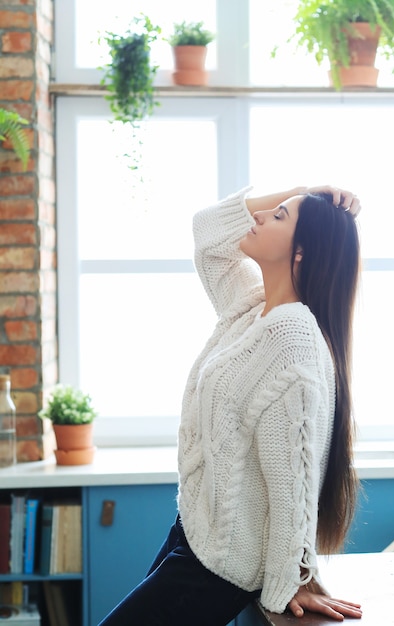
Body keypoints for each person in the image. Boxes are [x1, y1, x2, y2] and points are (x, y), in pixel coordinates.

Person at [98, 184, 363, 625]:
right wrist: (305, 192)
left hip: (222, 567)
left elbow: (293, 479)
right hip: (195, 534)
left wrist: (291, 579)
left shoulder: (291, 336)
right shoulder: (252, 306)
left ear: (300, 252)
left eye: (278, 217)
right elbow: (207, 231)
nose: (258, 218)